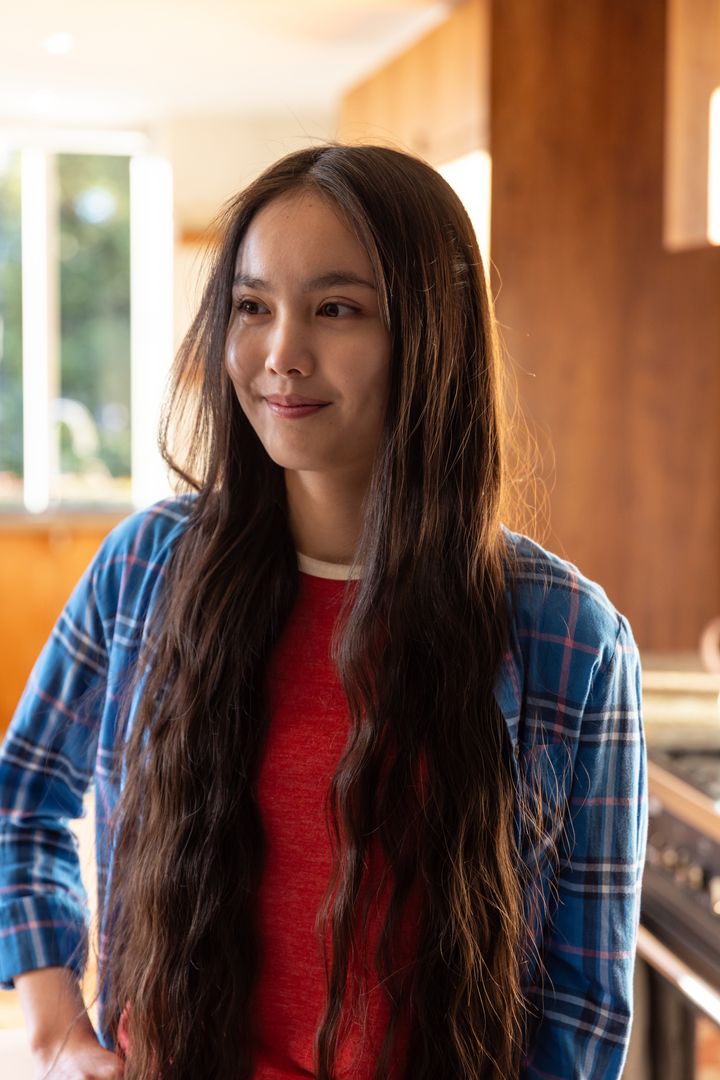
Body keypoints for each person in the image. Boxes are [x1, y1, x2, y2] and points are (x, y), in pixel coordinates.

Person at [0, 144, 647, 1080]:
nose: (281, 355)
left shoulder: (569, 639)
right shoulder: (145, 567)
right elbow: (21, 804)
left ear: (431, 337)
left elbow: (580, 1005)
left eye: (336, 309)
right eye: (252, 307)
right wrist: (57, 1036)